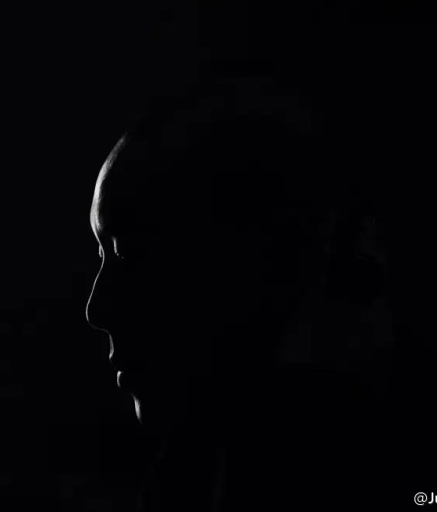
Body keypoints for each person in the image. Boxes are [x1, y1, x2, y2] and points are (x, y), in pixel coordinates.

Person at [85, 67, 392, 511]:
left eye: (134, 256)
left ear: (277, 256)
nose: (97, 308)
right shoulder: (191, 476)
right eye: (102, 256)